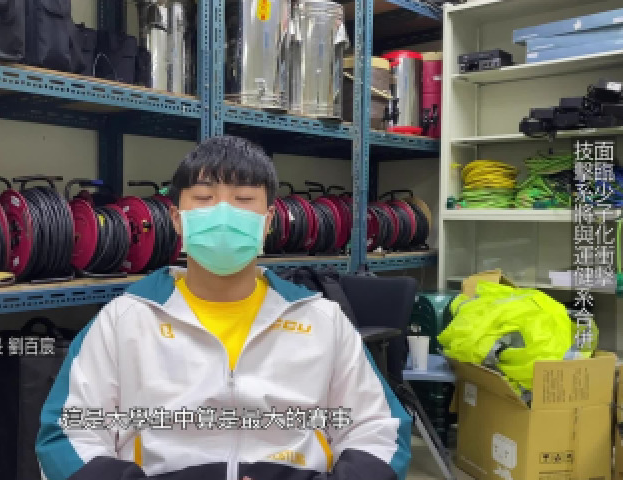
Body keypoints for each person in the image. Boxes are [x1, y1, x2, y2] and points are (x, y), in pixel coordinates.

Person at [36, 135, 412, 480]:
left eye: (244, 200)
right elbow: (70, 433)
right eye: (204, 198)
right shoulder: (124, 320)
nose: (223, 213)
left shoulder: (321, 321)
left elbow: (378, 429)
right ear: (177, 220)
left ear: (267, 222)